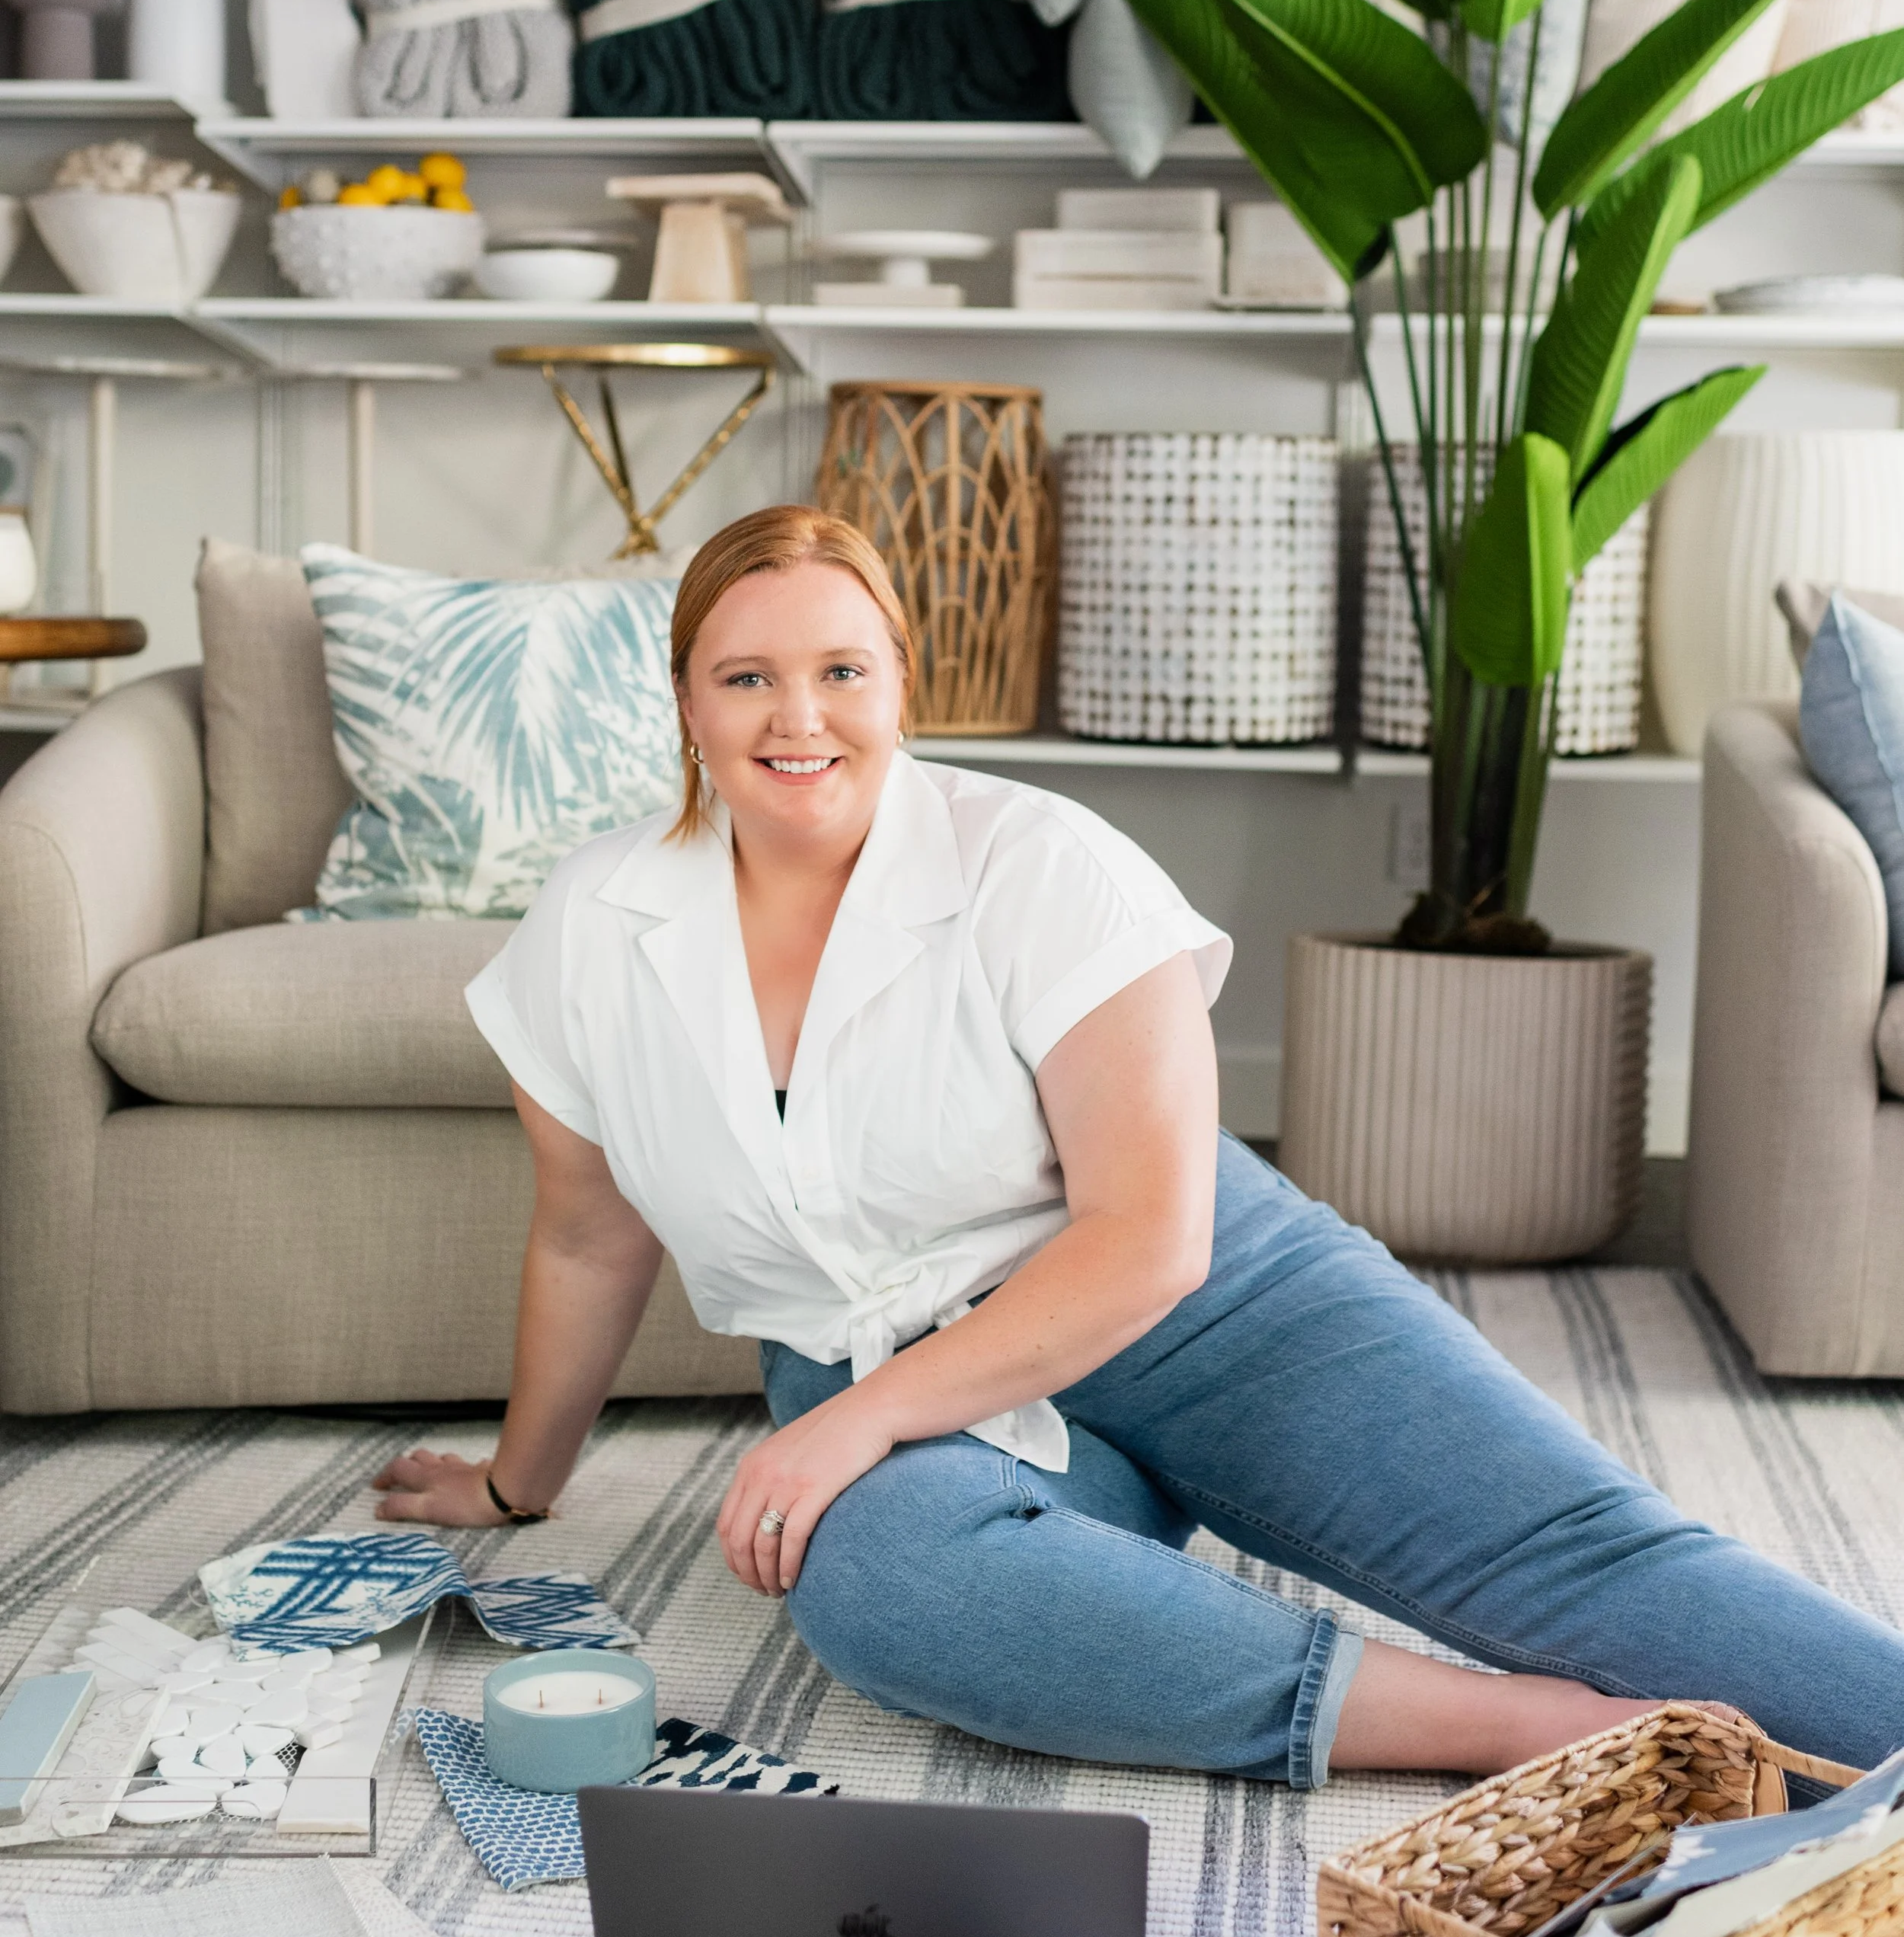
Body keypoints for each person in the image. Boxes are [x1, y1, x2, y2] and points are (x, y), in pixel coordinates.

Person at [375, 505, 1904, 1786]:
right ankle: (1508, 1727)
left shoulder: (1042, 864)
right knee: (885, 1581)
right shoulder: (594, 926)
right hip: (875, 1364)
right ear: (685, 701)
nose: (799, 718)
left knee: (1584, 1556)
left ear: (901, 683)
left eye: (842, 669)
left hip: (1209, 1309)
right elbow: (589, 1231)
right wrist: (518, 1483)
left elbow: (1148, 1237)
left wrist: (852, 1425)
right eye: (746, 676)